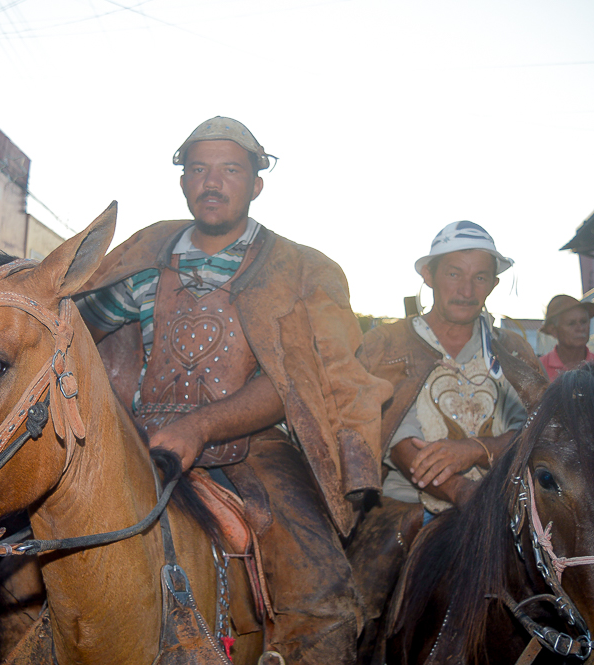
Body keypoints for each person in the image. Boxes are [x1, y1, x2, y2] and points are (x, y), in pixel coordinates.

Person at [77, 117, 392, 664]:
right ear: (183, 182)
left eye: (230, 170)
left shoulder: (300, 270)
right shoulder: (144, 261)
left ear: (257, 185)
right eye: (199, 169)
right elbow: (75, 335)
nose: (212, 182)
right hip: (138, 438)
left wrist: (199, 426)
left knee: (321, 596)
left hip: (256, 445)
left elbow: (300, 382)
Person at [357, 222, 542, 519]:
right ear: (428, 275)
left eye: (480, 277)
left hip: (505, 502)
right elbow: (393, 433)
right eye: (454, 274)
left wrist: (477, 449)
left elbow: (539, 428)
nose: (467, 290)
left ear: (493, 284)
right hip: (408, 505)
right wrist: (462, 492)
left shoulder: (514, 350)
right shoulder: (385, 345)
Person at [538, 294, 594, 381]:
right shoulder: (538, 369)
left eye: (583, 321)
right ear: (553, 330)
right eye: (571, 323)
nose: (580, 328)